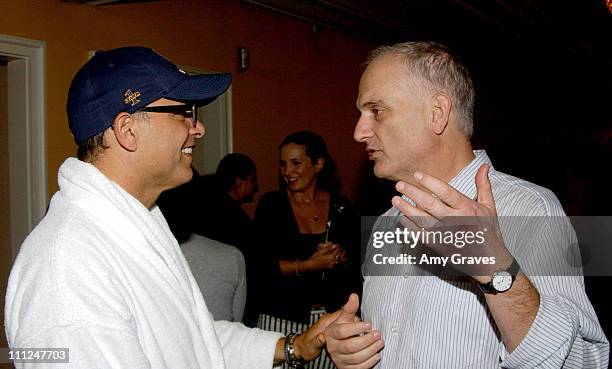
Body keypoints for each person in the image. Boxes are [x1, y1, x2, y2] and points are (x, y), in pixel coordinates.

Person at [4, 47, 338, 369]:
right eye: (183, 113)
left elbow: (193, 342)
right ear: (127, 130)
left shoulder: (138, 224)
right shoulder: (69, 266)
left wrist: (295, 346)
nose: (199, 127)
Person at [324, 42, 609, 368]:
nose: (359, 131)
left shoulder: (528, 209)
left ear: (437, 113)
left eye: (377, 110)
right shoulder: (385, 223)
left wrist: (495, 270)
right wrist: (353, 347)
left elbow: (587, 361)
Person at [253, 130, 362, 369]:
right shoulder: (271, 205)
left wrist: (341, 258)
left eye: (296, 163)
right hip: (280, 321)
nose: (287, 172)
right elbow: (259, 267)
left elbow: (359, 267)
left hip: (330, 324)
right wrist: (309, 265)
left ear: (318, 164)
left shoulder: (342, 207)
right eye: (283, 164)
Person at [194, 153, 259, 254]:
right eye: (253, 179)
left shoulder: (202, 207)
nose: (256, 186)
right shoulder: (237, 219)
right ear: (239, 182)